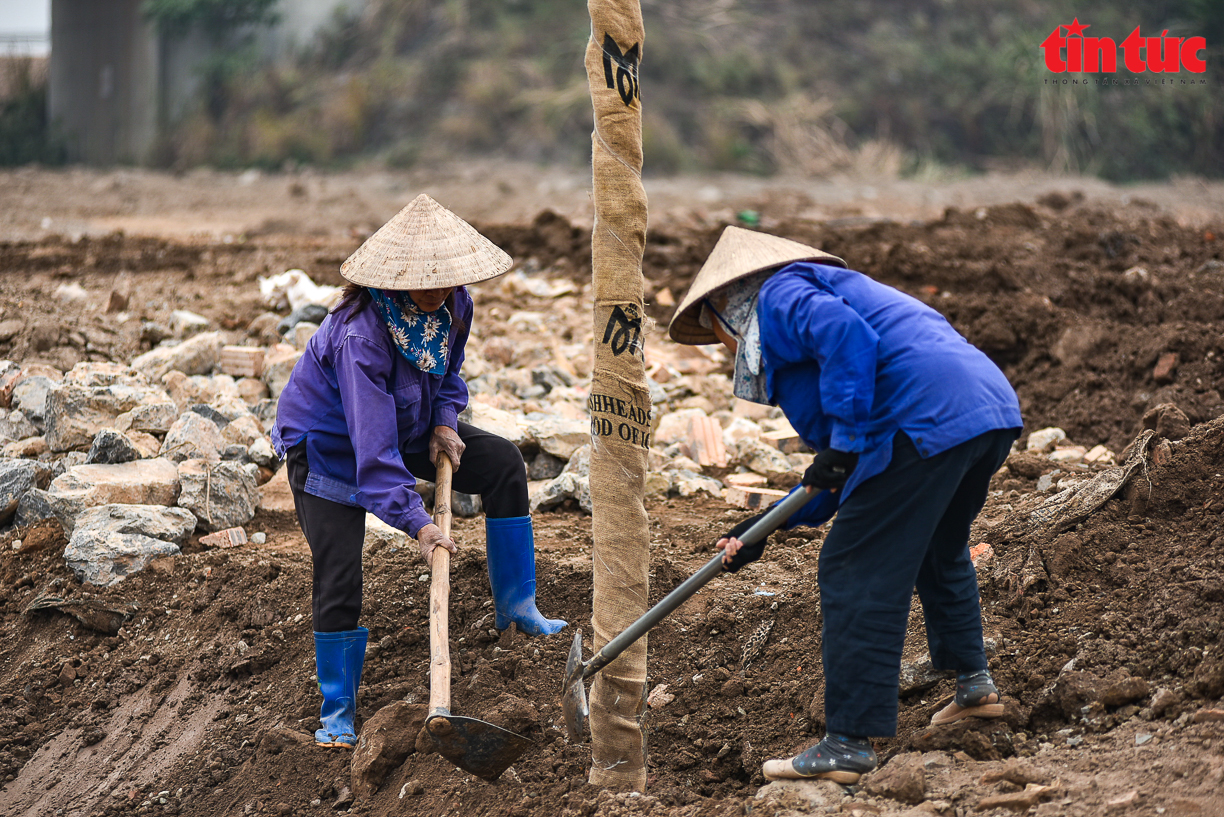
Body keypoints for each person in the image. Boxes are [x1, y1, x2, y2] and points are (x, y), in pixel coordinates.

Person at [667, 226, 1022, 784]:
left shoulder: (779, 296)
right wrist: (761, 528)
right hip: (982, 410)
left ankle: (848, 743)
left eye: (718, 334)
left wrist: (842, 445)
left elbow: (846, 342)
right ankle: (974, 689)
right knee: (939, 547)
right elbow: (836, 477)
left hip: (923, 418)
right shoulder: (822, 297)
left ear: (726, 307)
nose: (726, 351)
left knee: (850, 567)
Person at [271, 194, 566, 749]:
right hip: (331, 448)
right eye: (425, 281)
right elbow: (372, 454)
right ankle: (338, 710)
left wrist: (445, 421)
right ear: (394, 276)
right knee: (339, 569)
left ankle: (519, 607)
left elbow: (448, 374)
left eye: (447, 279)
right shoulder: (362, 335)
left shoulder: (456, 305)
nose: (437, 291)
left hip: (407, 425)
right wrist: (421, 525)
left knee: (502, 462)